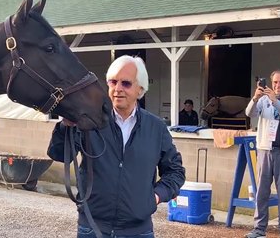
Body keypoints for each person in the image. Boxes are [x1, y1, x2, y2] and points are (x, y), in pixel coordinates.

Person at [47, 55, 186, 238]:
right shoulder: (90, 121)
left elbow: (176, 171)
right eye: (113, 82)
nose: (118, 89)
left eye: (126, 83)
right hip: (92, 228)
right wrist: (66, 126)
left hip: (138, 231)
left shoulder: (156, 128)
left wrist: (155, 197)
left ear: (140, 89)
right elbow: (58, 154)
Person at [245, 69, 280, 238]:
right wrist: (255, 98)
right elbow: (249, 113)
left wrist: (275, 101)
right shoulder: (264, 100)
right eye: (275, 82)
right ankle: (259, 229)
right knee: (261, 191)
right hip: (264, 149)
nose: (278, 85)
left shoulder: (274, 100)